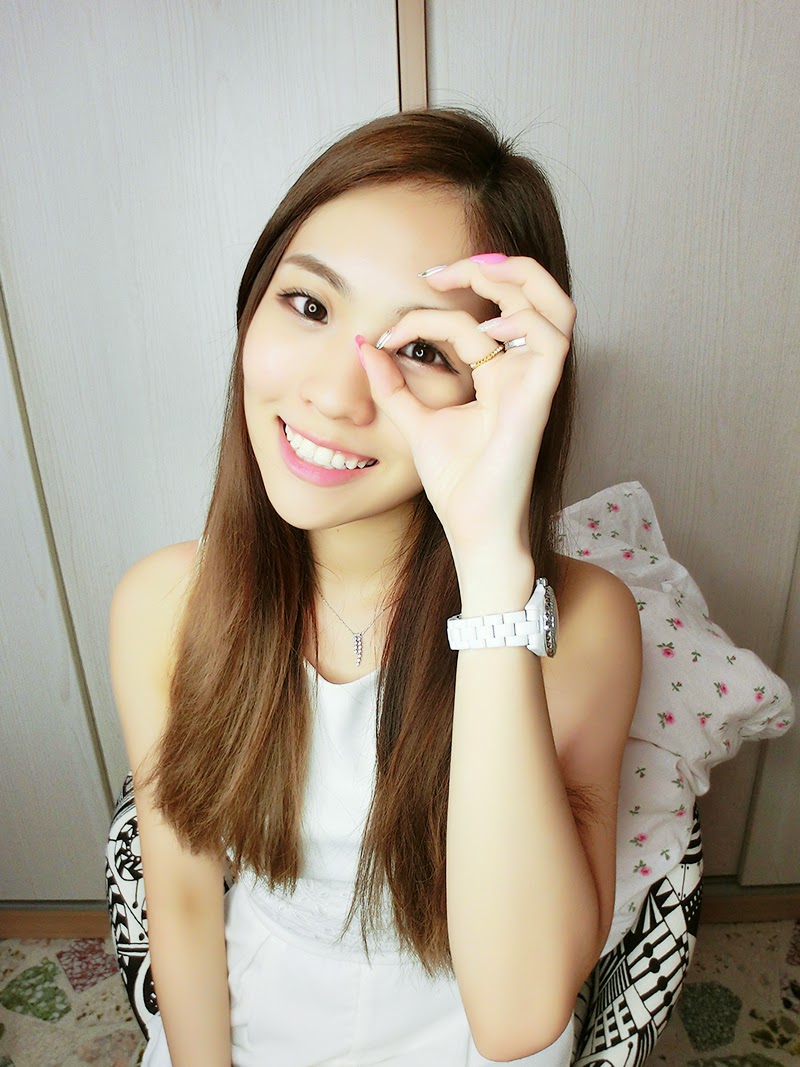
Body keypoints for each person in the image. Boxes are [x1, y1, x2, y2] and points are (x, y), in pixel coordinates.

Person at [109, 107, 643, 1067]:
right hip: (256, 1015)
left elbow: (518, 1014)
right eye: (309, 306)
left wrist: (492, 563)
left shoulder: (584, 624)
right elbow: (182, 899)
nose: (334, 394)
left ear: (495, 383)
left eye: (422, 350)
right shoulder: (163, 606)